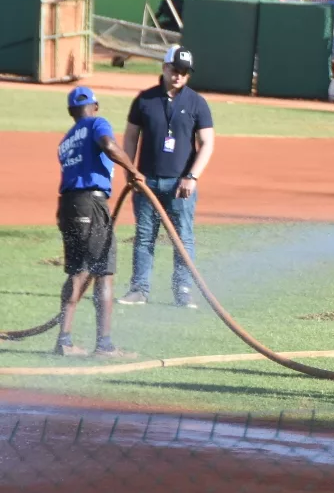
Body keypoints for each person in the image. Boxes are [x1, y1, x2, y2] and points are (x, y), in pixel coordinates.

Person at [117, 45, 215, 309]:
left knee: (183, 238)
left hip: (180, 185)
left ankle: (183, 290)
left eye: (184, 72)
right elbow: (130, 136)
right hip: (147, 182)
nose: (179, 76)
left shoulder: (197, 102)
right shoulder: (145, 100)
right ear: (164, 67)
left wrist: (192, 176)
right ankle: (139, 289)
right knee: (145, 236)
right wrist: (130, 171)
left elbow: (207, 142)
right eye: (175, 70)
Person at [54, 87, 144, 356]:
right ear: (96, 106)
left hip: (67, 205)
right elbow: (108, 145)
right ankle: (104, 345)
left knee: (77, 270)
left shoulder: (66, 140)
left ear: (71, 112)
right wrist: (134, 170)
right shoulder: (97, 123)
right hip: (91, 204)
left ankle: (64, 341)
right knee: (102, 271)